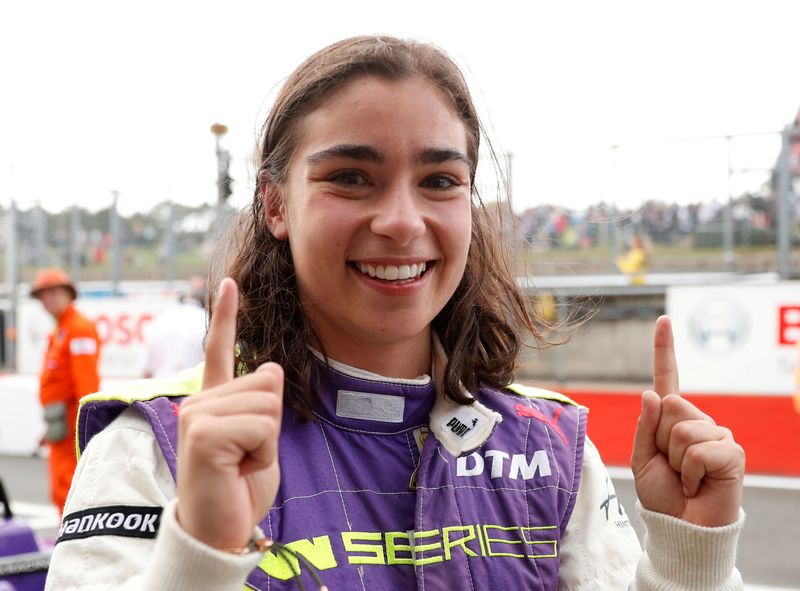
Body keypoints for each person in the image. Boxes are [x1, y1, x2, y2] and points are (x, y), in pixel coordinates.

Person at [45, 36, 745, 590]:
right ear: (275, 204)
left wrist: (691, 562)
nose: (402, 221)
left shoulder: (550, 447)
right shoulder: (157, 444)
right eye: (351, 177)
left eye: (440, 180)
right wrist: (199, 552)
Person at [30, 267, 101, 515]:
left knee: (69, 487)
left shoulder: (77, 329)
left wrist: (85, 427)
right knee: (61, 487)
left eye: (54, 292)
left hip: (72, 425)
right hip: (60, 425)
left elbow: (86, 384)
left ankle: (69, 540)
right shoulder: (61, 330)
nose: (48, 298)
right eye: (43, 294)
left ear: (68, 293)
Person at [142, 275, 207, 379]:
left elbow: (146, 371)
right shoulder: (207, 321)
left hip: (161, 389)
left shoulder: (162, 318)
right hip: (193, 390)